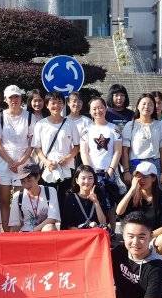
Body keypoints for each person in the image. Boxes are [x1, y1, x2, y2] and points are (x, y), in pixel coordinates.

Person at [0, 84, 40, 230]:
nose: (14, 100)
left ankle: (19, 233)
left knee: (21, 201)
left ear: (21, 98)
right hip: (3, 163)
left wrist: (20, 162)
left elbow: (32, 143)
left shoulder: (30, 117)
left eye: (17, 96)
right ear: (6, 99)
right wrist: (10, 162)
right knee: (4, 201)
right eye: (11, 97)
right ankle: (7, 234)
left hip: (24, 163)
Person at [80, 97, 123, 226]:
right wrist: (90, 172)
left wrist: (110, 170)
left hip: (109, 172)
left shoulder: (114, 128)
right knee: (93, 202)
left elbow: (117, 151)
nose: (97, 111)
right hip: (92, 173)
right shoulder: (86, 130)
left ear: (105, 108)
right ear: (90, 111)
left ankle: (112, 231)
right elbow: (84, 152)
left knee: (111, 204)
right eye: (94, 108)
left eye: (100, 107)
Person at [115, 161, 162, 256]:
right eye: (138, 177)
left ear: (153, 178)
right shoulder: (131, 194)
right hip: (133, 237)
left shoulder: (161, 197)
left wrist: (146, 236)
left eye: (145, 177)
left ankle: (156, 260)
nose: (141, 180)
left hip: (151, 237)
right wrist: (132, 190)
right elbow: (119, 212)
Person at [32, 92, 80, 203]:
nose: (56, 106)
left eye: (59, 102)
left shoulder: (70, 124)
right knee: (47, 200)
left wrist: (68, 158)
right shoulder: (41, 124)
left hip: (66, 168)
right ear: (47, 105)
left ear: (63, 104)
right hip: (47, 168)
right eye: (53, 103)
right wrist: (46, 162)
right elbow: (37, 147)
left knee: (65, 200)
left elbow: (77, 146)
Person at [121, 93, 162, 187]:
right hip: (136, 165)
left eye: (150, 104)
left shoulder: (160, 125)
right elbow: (125, 151)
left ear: (154, 108)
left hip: (155, 165)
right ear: (138, 106)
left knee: (155, 193)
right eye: (144, 104)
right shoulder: (130, 125)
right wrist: (126, 171)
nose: (147, 107)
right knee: (137, 193)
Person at [9, 164, 60, 232]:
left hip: (43, 231)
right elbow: (15, 224)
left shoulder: (50, 191)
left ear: (38, 177)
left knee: (49, 228)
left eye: (29, 180)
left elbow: (52, 218)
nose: (26, 185)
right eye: (23, 181)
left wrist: (33, 231)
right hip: (26, 233)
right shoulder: (17, 196)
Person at [61, 165, 107, 229]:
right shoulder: (71, 198)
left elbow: (103, 223)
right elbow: (67, 225)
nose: (86, 181)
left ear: (94, 180)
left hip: (96, 233)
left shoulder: (99, 196)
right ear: (77, 180)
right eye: (83, 178)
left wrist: (96, 202)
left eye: (90, 178)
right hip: (77, 233)